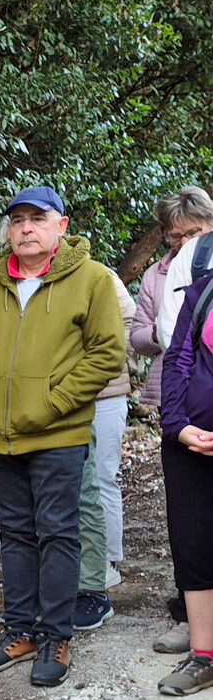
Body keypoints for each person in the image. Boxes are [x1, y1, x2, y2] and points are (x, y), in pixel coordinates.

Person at [0, 185, 125, 688]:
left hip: (58, 435)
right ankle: (21, 629)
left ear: (61, 226)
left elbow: (107, 353)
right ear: (8, 229)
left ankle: (56, 634)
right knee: (17, 534)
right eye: (17, 219)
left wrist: (51, 404)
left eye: (37, 218)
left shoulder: (91, 280)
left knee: (57, 532)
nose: (26, 227)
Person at [133, 186, 213, 654]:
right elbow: (164, 337)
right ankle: (194, 620)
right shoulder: (166, 273)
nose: (182, 242)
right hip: (179, 398)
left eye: (193, 232)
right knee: (188, 525)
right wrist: (178, 421)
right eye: (174, 235)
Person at [156, 268, 213, 695]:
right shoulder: (204, 289)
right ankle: (203, 656)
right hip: (190, 442)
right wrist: (175, 425)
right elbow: (178, 357)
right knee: (192, 543)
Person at [73, 268, 135, 630]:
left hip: (108, 394)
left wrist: (101, 356)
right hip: (62, 400)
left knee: (102, 477)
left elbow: (131, 321)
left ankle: (108, 564)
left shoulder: (101, 276)